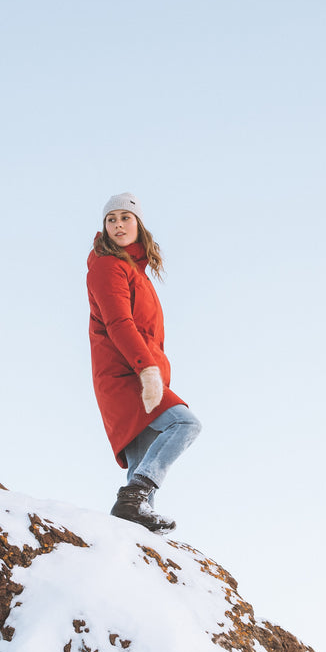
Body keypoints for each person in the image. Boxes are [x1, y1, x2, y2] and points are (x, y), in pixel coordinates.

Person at [86, 192, 201, 533]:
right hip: (126, 375)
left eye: (126, 217)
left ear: (139, 224)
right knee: (185, 425)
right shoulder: (108, 265)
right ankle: (134, 495)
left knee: (141, 462)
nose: (118, 225)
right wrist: (147, 371)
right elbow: (119, 323)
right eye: (111, 219)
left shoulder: (135, 271)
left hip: (139, 373)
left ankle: (137, 530)